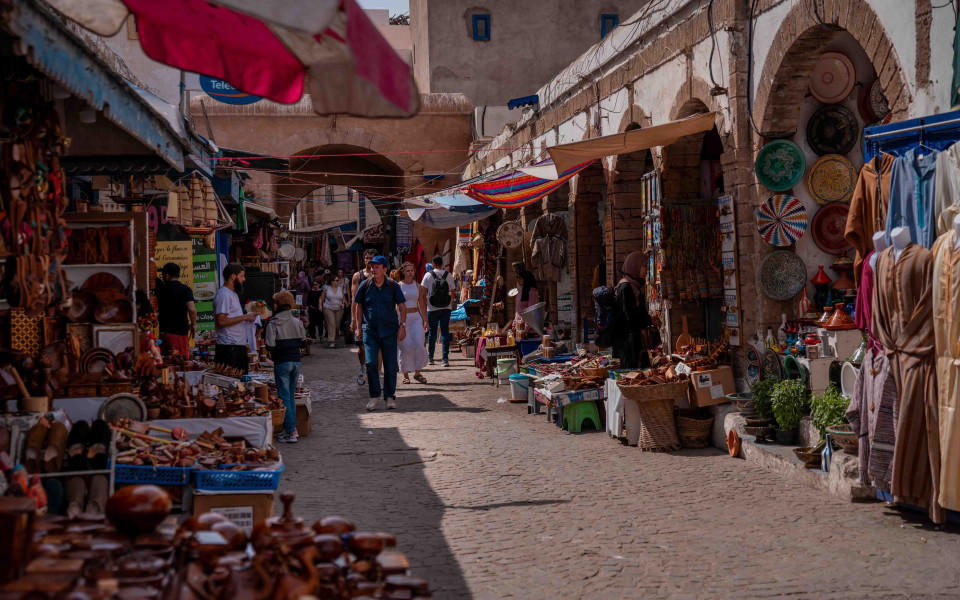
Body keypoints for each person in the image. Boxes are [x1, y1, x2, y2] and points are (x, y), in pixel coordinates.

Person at [353, 255, 407, 411]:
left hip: (390, 331)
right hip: (370, 331)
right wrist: (358, 326)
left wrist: (402, 325)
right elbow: (358, 306)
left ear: (384, 269)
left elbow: (402, 306)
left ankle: (389, 397)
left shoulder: (392, 286)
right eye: (372, 266)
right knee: (370, 363)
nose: (373, 269)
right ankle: (374, 396)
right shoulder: (365, 285)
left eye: (377, 266)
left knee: (390, 365)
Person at [264, 291, 308, 443]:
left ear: (277, 305)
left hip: (282, 362)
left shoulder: (273, 323)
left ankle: (290, 432)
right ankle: (291, 429)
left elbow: (269, 346)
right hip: (296, 362)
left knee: (284, 397)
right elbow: (303, 343)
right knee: (290, 396)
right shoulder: (297, 322)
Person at [613, 251, 654, 369]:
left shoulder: (633, 286)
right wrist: (649, 321)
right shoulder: (626, 288)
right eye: (644, 265)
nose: (646, 269)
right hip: (629, 343)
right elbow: (630, 318)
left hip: (633, 341)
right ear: (634, 265)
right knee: (633, 375)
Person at [213, 263, 257, 373]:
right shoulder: (224, 295)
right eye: (241, 276)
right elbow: (221, 321)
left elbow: (234, 317)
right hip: (229, 348)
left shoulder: (233, 294)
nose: (244, 279)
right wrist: (244, 317)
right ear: (233, 276)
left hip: (237, 346)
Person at [154, 262, 197, 358]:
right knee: (180, 363)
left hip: (163, 334)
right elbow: (192, 310)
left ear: (167, 275)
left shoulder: (160, 289)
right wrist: (193, 324)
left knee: (165, 363)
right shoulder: (185, 290)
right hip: (179, 334)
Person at [397, 262, 429, 384]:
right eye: (407, 270)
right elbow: (395, 305)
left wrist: (425, 320)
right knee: (406, 346)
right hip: (403, 318)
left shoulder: (419, 287)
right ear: (403, 272)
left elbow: (421, 304)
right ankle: (405, 374)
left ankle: (417, 372)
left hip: (416, 318)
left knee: (420, 344)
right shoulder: (398, 286)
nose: (410, 272)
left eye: (412, 270)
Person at [421, 255, 455, 366]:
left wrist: (426, 303)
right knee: (445, 332)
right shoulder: (448, 275)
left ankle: (430, 357)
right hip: (446, 308)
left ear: (433, 264)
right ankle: (445, 359)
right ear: (442, 263)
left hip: (432, 308)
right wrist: (449, 303)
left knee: (432, 332)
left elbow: (423, 292)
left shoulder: (428, 275)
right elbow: (453, 292)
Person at [351, 249, 377, 385]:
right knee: (361, 347)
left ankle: (375, 375)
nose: (369, 260)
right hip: (361, 315)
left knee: (377, 348)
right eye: (367, 258)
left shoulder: (381, 276)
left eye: (372, 258)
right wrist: (353, 320)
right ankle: (363, 368)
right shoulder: (358, 276)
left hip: (376, 316)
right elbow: (354, 300)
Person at [320, 273, 347, 348]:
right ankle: (331, 340)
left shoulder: (340, 289)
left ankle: (335, 335)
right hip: (328, 308)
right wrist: (320, 305)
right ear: (332, 281)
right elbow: (321, 298)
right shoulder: (326, 288)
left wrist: (343, 303)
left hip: (338, 309)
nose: (338, 281)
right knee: (332, 323)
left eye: (338, 280)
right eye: (336, 280)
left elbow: (343, 298)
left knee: (337, 325)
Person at [512, 270, 540, 334]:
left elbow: (532, 312)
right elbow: (518, 310)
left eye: (520, 278)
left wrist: (525, 329)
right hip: (519, 328)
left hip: (528, 332)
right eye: (517, 278)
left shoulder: (532, 292)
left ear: (526, 279)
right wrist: (514, 324)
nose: (518, 280)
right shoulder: (522, 291)